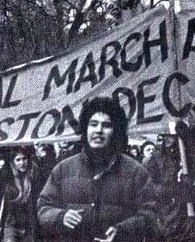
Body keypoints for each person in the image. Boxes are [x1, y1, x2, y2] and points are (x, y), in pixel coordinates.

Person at [37, 97, 157, 242]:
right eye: (93, 124)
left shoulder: (136, 172)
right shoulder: (62, 169)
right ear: (85, 128)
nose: (99, 130)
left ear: (115, 131)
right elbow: (44, 207)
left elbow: (150, 215)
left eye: (106, 125)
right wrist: (61, 216)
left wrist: (122, 231)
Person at [0, 146, 46, 242]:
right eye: (18, 160)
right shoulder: (8, 179)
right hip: (12, 225)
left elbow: (43, 172)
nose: (22, 163)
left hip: (30, 226)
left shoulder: (33, 178)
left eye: (24, 158)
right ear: (13, 162)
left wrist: (41, 155)